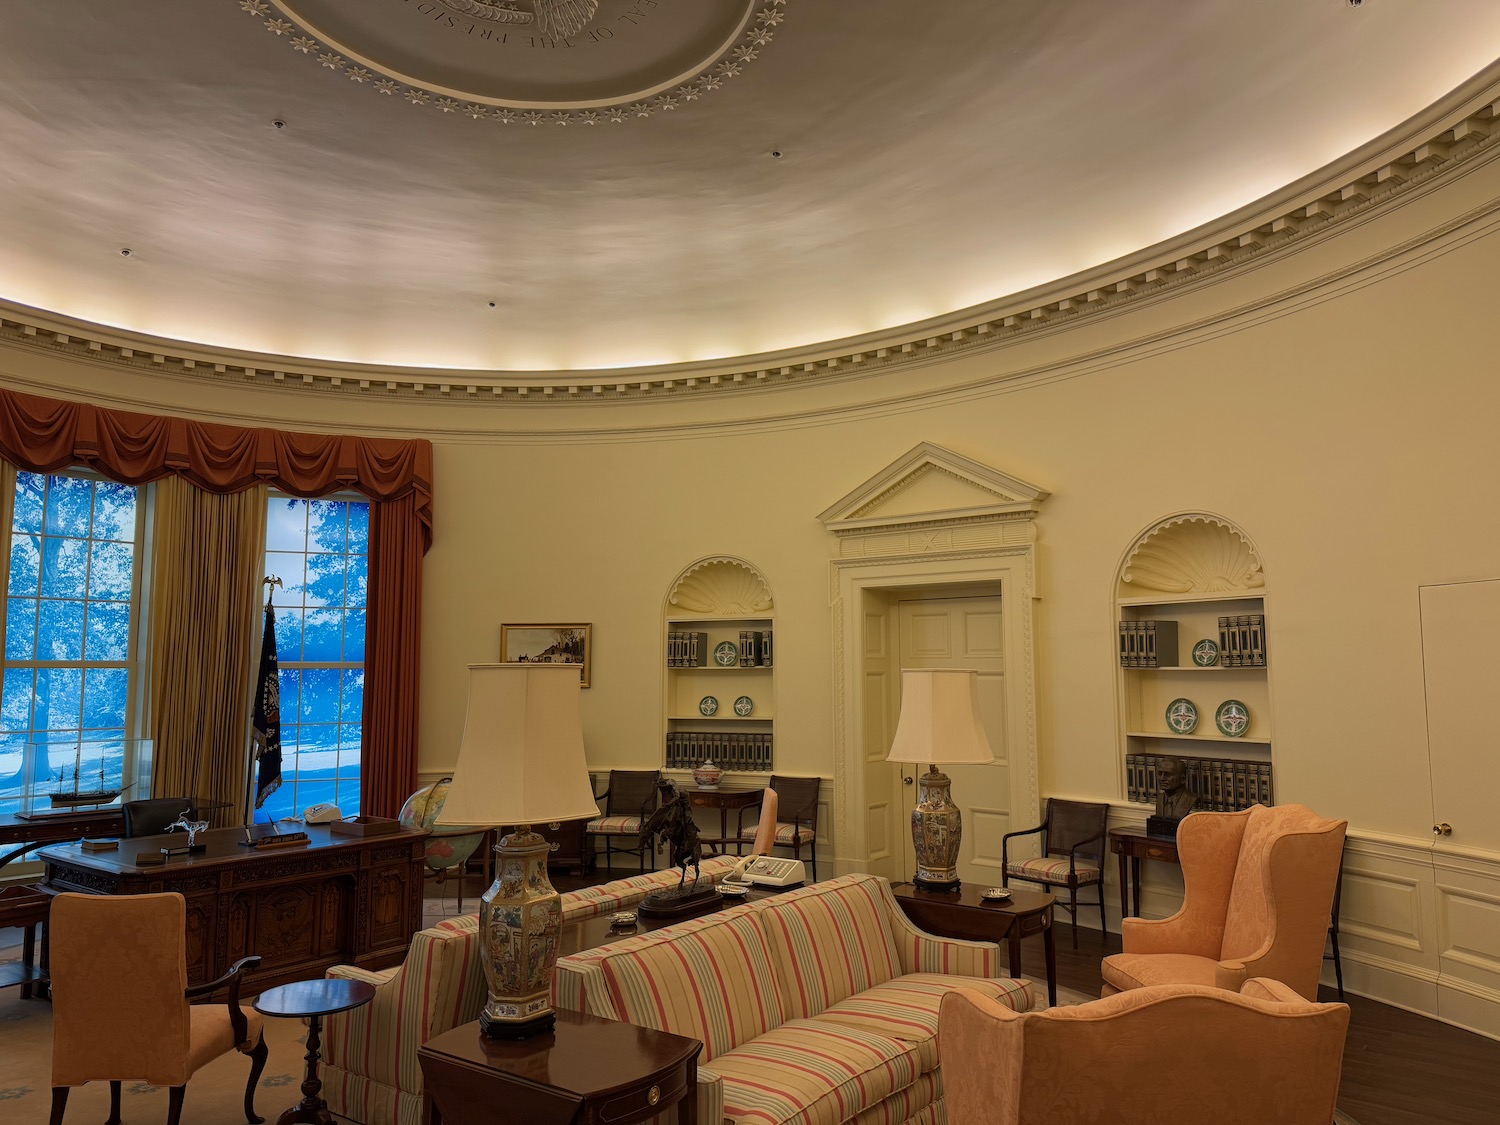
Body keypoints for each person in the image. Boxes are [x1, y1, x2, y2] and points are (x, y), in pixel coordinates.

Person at [1155, 755, 1197, 820]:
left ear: (1182, 779)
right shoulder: (1160, 799)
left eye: (1168, 774)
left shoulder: (1190, 799)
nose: (1162, 778)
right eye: (1160, 773)